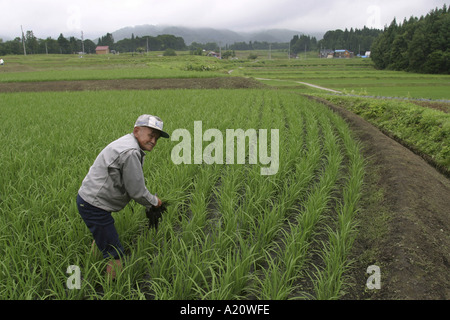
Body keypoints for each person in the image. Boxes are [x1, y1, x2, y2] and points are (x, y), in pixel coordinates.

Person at [76, 114, 170, 279]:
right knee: (115, 253)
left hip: (90, 200)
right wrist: (155, 202)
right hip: (94, 205)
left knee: (102, 235)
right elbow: (137, 191)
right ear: (136, 131)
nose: (154, 141)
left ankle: (92, 264)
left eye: (156, 138)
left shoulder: (128, 143)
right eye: (150, 135)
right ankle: (115, 288)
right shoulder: (131, 151)